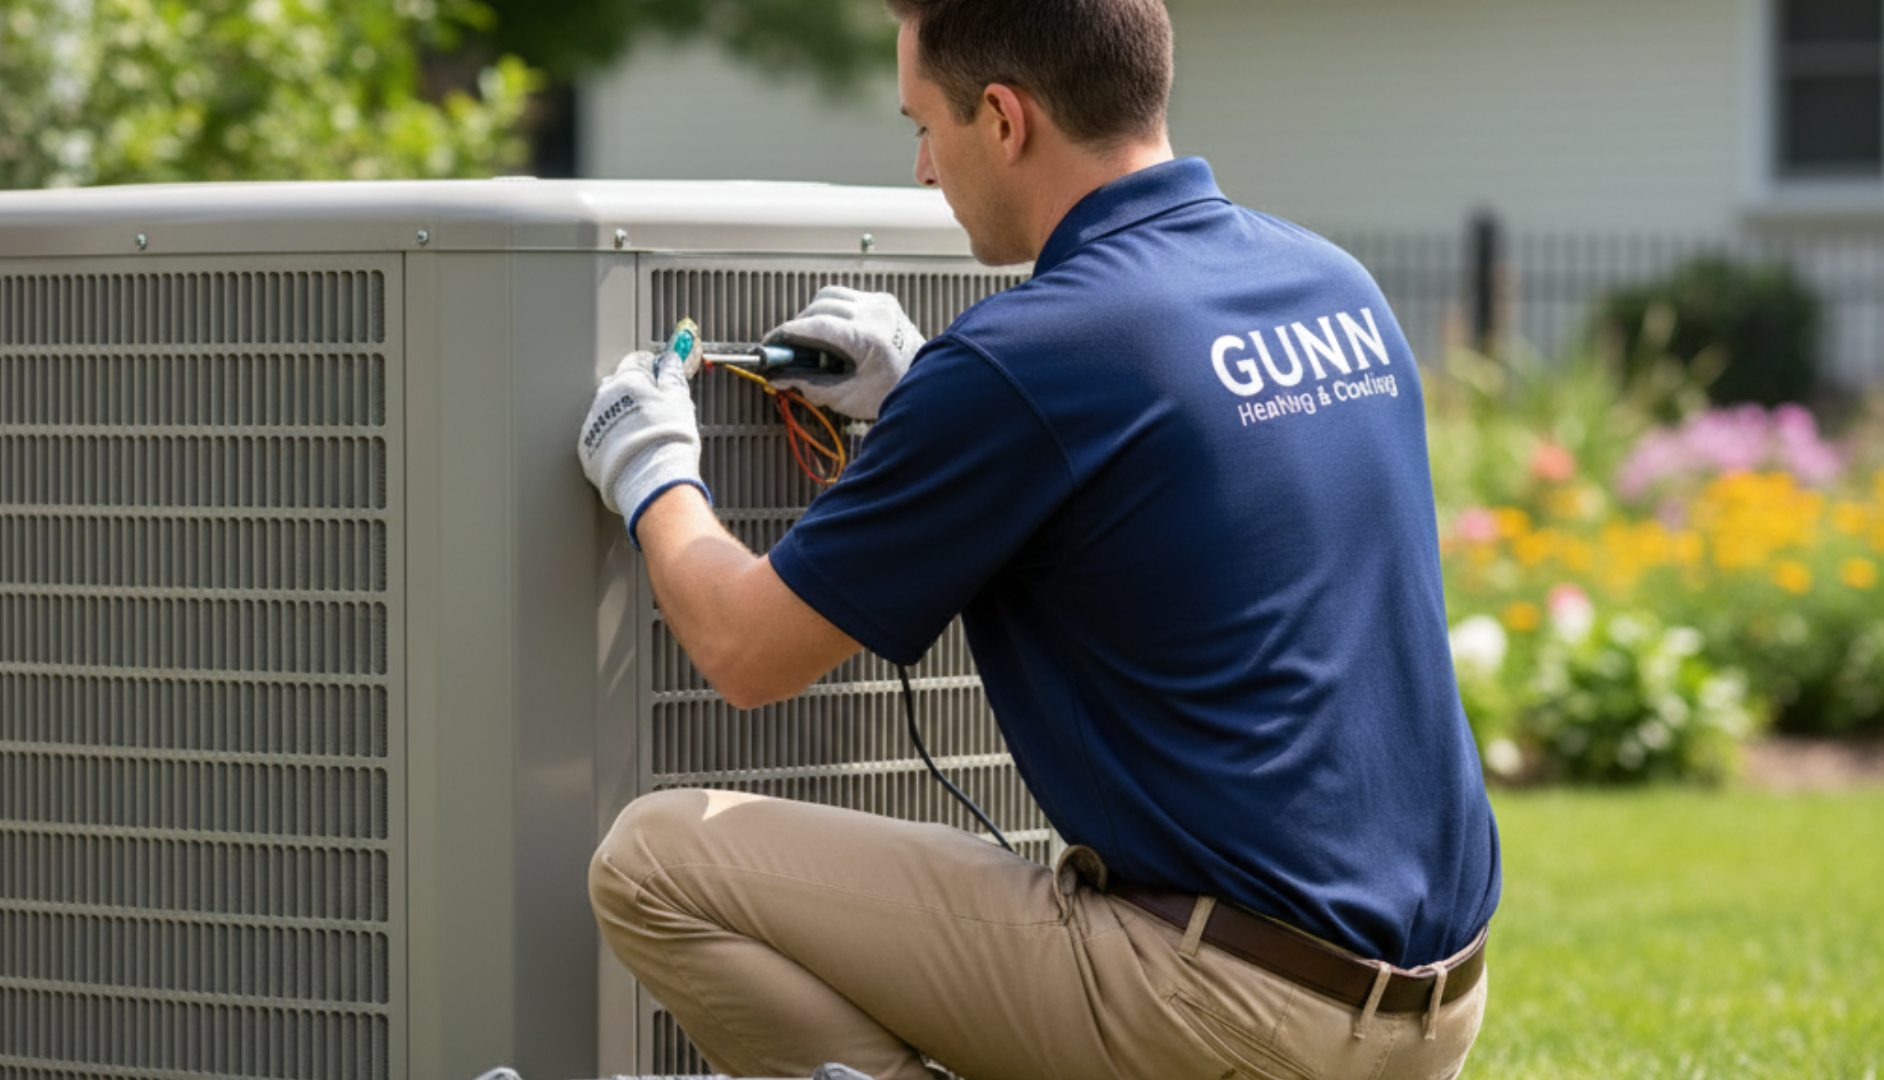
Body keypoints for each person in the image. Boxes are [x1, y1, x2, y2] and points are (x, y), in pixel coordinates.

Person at [575, 0, 1501, 1077]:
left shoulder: (1029, 358)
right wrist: (929, 395)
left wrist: (651, 469)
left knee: (652, 860)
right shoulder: (1331, 284)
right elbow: (1169, 479)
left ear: (1005, 120)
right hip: (1436, 1008)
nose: (922, 167)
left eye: (925, 124)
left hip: (1234, 1013)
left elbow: (742, 648)